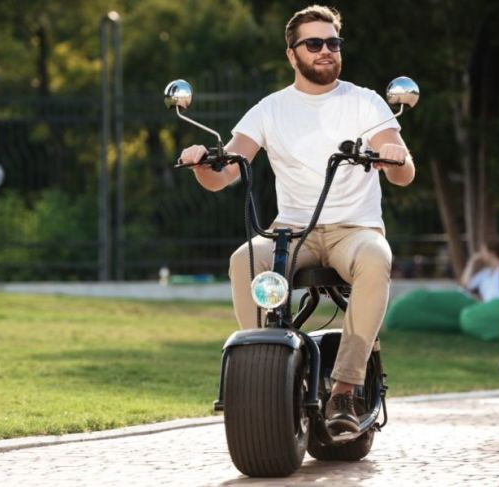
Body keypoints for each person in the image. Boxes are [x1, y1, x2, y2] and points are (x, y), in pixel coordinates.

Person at [179, 5, 414, 434]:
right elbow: (228, 171)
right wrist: (201, 163)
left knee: (377, 258)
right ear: (292, 54)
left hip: (354, 230)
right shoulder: (270, 109)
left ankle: (345, 388)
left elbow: (403, 173)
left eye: (333, 43)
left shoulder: (365, 101)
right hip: (292, 230)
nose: (326, 51)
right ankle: (260, 368)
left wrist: (396, 157)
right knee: (244, 259)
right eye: (314, 43)